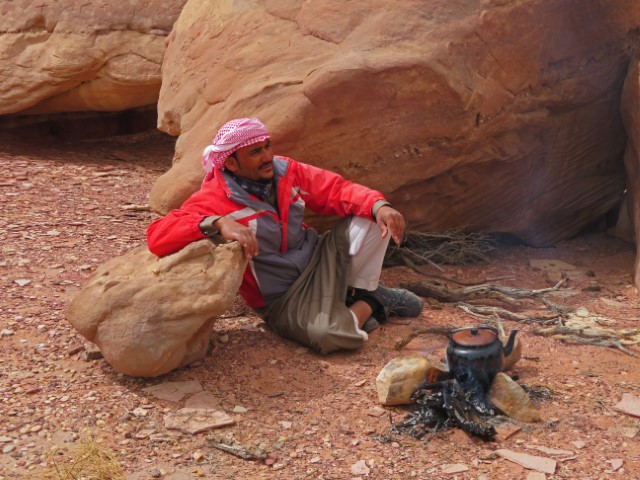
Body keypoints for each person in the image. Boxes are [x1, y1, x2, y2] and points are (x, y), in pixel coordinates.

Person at [146, 117, 422, 354]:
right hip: (282, 299)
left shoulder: (286, 171)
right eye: (255, 152)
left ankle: (352, 292)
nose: (267, 157)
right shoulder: (214, 199)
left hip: (318, 263)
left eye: (267, 147)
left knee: (373, 219)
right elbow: (158, 235)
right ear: (231, 163)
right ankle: (372, 302)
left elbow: (336, 190)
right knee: (330, 338)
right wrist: (218, 222)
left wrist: (378, 205)